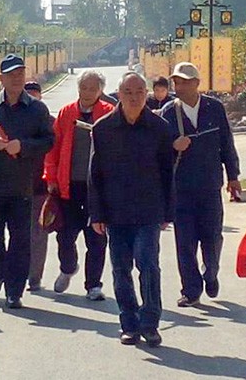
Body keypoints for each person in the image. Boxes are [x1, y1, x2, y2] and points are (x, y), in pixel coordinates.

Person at [89, 72, 174, 347]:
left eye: (139, 92)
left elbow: (167, 171)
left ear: (146, 94)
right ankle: (129, 323)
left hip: (149, 210)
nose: (134, 97)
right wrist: (97, 214)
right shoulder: (103, 128)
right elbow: (95, 174)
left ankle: (150, 323)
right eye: (128, 92)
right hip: (116, 212)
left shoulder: (159, 127)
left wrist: (168, 212)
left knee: (148, 264)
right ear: (119, 95)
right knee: (121, 269)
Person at [0, 54, 54, 309]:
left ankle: (14, 291)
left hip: (22, 186)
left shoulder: (37, 109)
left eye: (20, 74)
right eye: (11, 74)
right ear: (0, 78)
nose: (16, 79)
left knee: (20, 241)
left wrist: (23, 146)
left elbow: (48, 141)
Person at [160, 62, 241, 308]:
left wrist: (233, 175)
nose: (179, 86)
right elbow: (158, 153)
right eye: (176, 82)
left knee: (212, 236)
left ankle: (211, 271)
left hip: (210, 185)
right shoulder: (168, 112)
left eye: (185, 81)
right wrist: (173, 146)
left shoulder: (214, 108)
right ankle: (191, 290)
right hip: (181, 189)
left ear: (197, 83)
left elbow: (226, 143)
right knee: (185, 242)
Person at [43, 70, 113, 300]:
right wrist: (51, 178)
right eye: (84, 88)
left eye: (93, 89)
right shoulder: (67, 112)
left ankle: (93, 285)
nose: (88, 93)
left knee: (97, 239)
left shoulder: (109, 112)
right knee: (65, 235)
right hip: (69, 185)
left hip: (97, 189)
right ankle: (68, 267)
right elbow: (53, 148)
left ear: (100, 90)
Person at [24, 81, 53, 291]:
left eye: (35, 95)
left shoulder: (50, 122)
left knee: (38, 234)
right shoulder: (15, 120)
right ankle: (7, 266)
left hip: (41, 186)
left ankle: (34, 277)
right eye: (29, 95)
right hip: (12, 186)